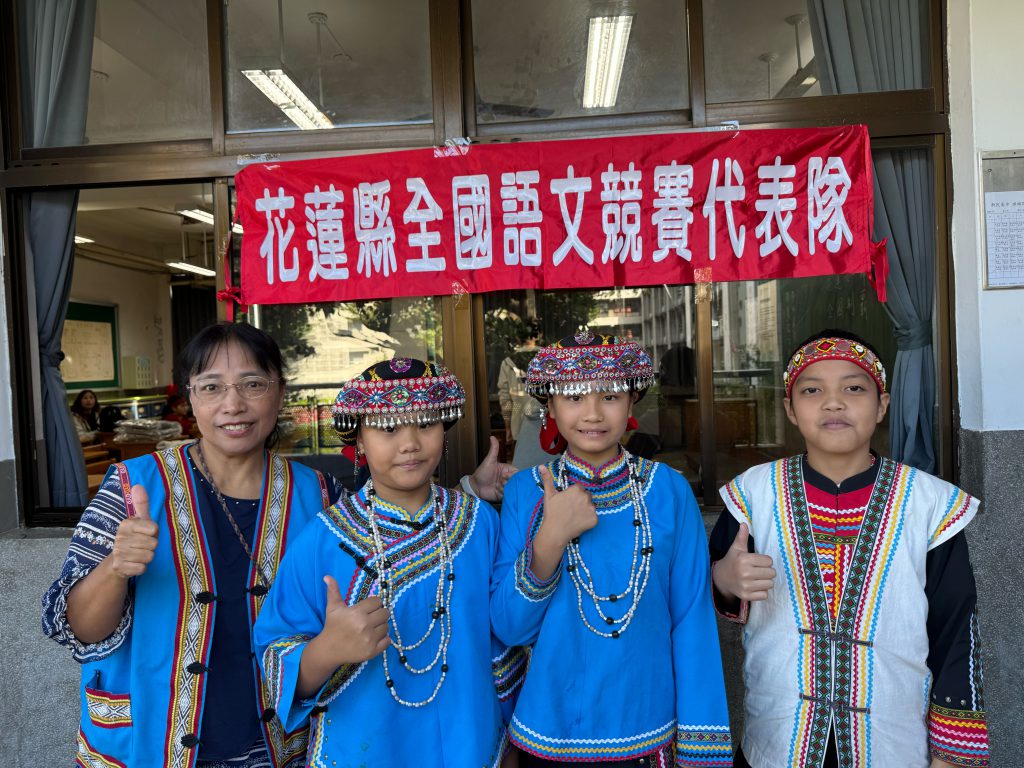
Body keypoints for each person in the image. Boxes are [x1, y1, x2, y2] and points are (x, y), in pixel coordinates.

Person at [42, 322, 515, 768]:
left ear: (280, 393)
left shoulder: (320, 495)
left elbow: (396, 524)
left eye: (252, 384)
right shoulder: (133, 487)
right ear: (191, 398)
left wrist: (469, 493)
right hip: (153, 740)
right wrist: (116, 568)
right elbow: (78, 628)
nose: (233, 404)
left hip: (276, 746)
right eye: (211, 387)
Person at [710, 330, 989, 768]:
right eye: (812, 390)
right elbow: (715, 586)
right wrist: (724, 580)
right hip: (778, 740)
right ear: (789, 409)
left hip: (893, 743)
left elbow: (956, 630)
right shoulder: (753, 494)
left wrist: (952, 754)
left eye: (854, 389)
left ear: (882, 405)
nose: (833, 402)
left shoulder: (929, 504)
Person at [254, 358, 525, 767]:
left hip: (471, 742)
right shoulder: (323, 540)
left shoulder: (479, 522)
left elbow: (502, 644)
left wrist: (508, 747)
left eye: (425, 424)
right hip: (364, 749)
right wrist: (327, 649)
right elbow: (277, 655)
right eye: (388, 428)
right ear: (360, 441)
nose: (410, 443)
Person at [491, 329, 733, 767]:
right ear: (550, 407)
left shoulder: (669, 492)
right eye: (574, 398)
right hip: (548, 733)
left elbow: (692, 622)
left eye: (609, 396)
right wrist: (550, 539)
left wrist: (701, 750)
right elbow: (509, 627)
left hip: (647, 730)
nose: (593, 413)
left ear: (632, 401)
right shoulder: (526, 492)